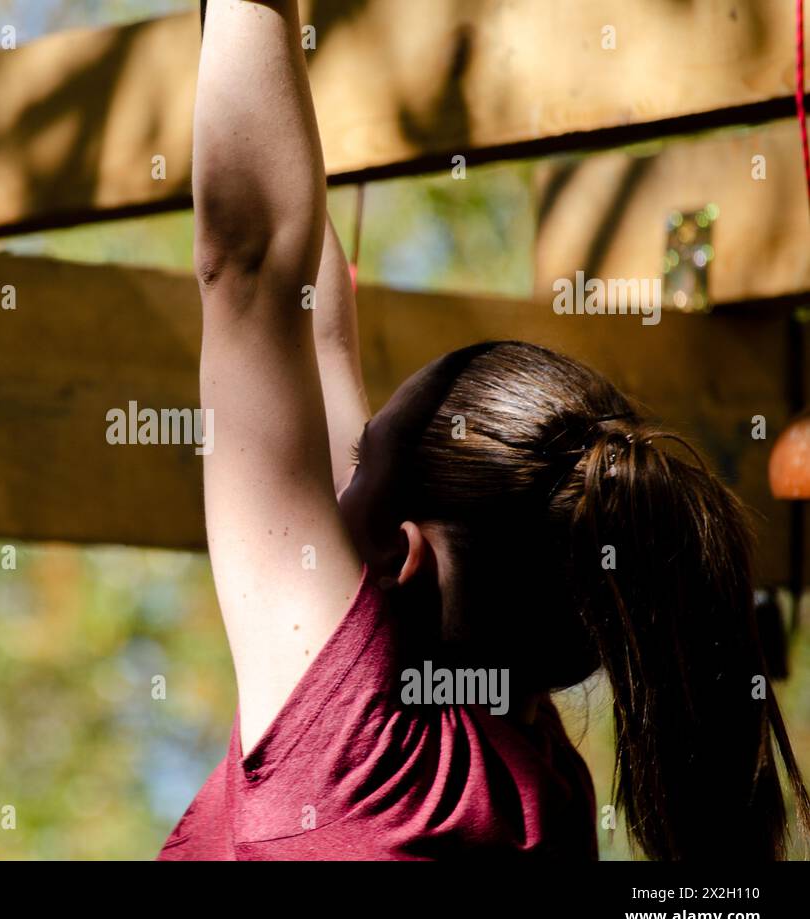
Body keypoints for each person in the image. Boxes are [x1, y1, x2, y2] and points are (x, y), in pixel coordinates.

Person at [159, 0, 810, 860]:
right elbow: (298, 316)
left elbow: (250, 268)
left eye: (360, 463)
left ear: (401, 554)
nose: (336, 478)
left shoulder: (365, 758)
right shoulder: (533, 787)